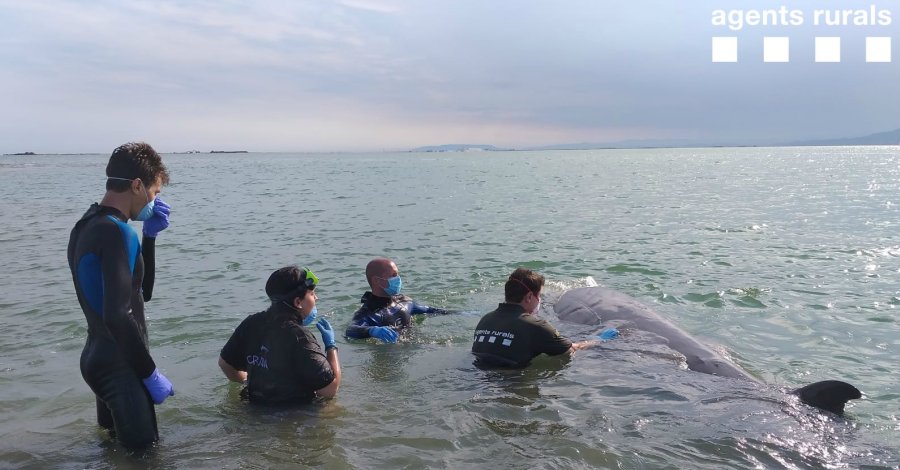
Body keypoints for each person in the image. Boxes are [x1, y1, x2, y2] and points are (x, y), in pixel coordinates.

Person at [67, 142, 175, 450]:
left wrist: (150, 237)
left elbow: (143, 293)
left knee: (114, 450)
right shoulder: (117, 233)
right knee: (144, 457)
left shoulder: (86, 225)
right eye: (154, 193)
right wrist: (150, 374)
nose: (155, 201)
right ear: (137, 185)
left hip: (97, 356)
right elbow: (118, 315)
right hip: (120, 365)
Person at [219, 266, 341, 404]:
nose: (316, 298)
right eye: (312, 294)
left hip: (253, 409)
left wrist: (246, 382)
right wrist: (331, 346)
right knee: (329, 407)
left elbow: (225, 364)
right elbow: (330, 390)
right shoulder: (300, 337)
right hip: (291, 416)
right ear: (298, 302)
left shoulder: (251, 323)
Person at [471, 268, 614, 368]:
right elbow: (571, 350)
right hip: (511, 384)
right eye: (539, 296)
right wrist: (598, 340)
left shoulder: (485, 319)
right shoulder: (536, 326)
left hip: (478, 378)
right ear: (528, 297)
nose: (540, 300)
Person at [345, 257, 449, 343]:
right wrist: (372, 330)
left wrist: (460, 313)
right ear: (377, 281)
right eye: (394, 275)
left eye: (398, 274)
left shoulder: (404, 302)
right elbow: (351, 329)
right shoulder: (368, 314)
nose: (398, 278)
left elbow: (431, 310)